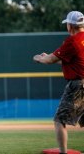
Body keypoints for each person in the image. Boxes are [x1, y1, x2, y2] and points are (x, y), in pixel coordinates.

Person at [33, 11, 84, 154]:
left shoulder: (72, 41)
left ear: (71, 25)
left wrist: (39, 58)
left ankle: (63, 152)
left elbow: (50, 60)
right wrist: (50, 56)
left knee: (59, 120)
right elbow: (73, 59)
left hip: (78, 84)